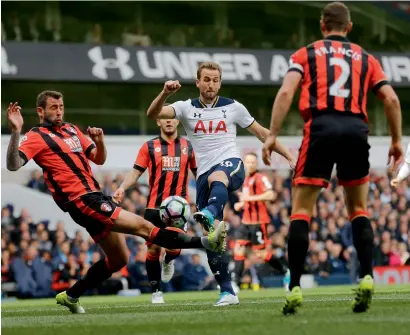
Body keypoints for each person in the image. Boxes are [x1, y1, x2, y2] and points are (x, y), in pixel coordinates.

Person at [5, 91, 226, 314]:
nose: (59, 111)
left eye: (61, 106)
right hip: (81, 199)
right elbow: (14, 165)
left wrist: (99, 142)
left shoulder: (71, 130)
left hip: (95, 195)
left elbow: (99, 158)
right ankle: (207, 242)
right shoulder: (35, 136)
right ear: (41, 111)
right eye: (53, 107)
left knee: (119, 259)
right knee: (144, 228)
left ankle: (72, 295)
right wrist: (15, 131)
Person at [262, 1, 403, 315]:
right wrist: (395, 140)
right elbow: (391, 98)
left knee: (301, 211)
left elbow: (286, 93)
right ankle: (367, 276)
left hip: (321, 128)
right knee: (358, 209)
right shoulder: (367, 58)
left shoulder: (306, 53)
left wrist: (272, 134)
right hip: (356, 130)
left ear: (323, 25)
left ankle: (295, 286)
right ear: (349, 27)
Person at [146, 62, 296, 306]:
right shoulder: (185, 108)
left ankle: (208, 212)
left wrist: (289, 157)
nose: (211, 84)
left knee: (219, 178)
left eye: (215, 80)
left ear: (220, 82)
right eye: (206, 79)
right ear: (198, 82)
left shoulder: (233, 107)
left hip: (230, 166)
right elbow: (153, 114)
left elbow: (262, 133)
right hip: (205, 177)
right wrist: (165, 93)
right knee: (212, 238)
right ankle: (227, 292)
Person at [113, 118, 197, 304]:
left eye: (172, 118)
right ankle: (156, 291)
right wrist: (122, 187)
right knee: (152, 249)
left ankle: (168, 260)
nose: (169, 121)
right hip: (154, 208)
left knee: (174, 248)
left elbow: (198, 173)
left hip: (179, 208)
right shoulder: (149, 146)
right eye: (164, 118)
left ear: (177, 121)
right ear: (159, 122)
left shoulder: (188, 146)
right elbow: (136, 172)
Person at [233, 152, 290, 290]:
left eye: (253, 162)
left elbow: (271, 194)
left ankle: (286, 272)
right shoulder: (245, 180)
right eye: (248, 162)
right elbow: (246, 200)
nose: (250, 164)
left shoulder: (261, 178)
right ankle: (235, 283)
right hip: (245, 222)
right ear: (244, 164)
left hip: (259, 223)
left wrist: (249, 199)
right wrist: (240, 205)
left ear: (256, 164)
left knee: (262, 254)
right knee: (238, 249)